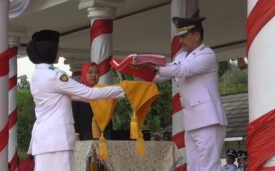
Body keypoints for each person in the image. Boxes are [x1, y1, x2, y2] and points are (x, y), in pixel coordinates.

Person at [135, 17, 228, 171]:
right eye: (180, 36)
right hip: (191, 121)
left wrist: (155, 68)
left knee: (209, 166)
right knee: (193, 166)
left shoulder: (207, 54)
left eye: (184, 36)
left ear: (197, 35)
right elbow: (161, 75)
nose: (181, 40)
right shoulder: (180, 56)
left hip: (208, 119)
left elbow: (184, 70)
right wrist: (138, 69)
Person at [26, 30, 124, 171]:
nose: (59, 51)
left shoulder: (37, 75)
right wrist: (124, 90)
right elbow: (89, 93)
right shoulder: (56, 76)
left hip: (43, 140)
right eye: (58, 48)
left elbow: (78, 96)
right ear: (50, 50)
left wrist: (112, 94)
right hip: (58, 139)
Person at [72, 62, 113, 140]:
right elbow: (74, 115)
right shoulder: (78, 92)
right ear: (84, 73)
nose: (93, 75)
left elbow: (108, 115)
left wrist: (110, 133)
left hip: (103, 134)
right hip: (84, 135)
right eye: (90, 72)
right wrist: (76, 134)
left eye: (96, 72)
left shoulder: (103, 92)